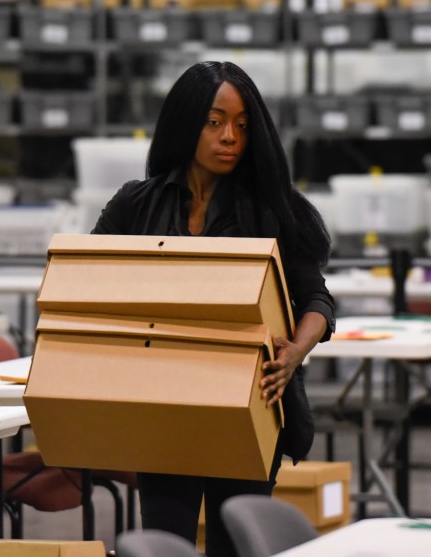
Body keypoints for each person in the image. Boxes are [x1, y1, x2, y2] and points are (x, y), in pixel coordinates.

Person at [91, 61, 335, 556]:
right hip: (164, 410)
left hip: (249, 407)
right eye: (215, 122)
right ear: (186, 124)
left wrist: (295, 351)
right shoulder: (135, 206)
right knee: (162, 545)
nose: (231, 138)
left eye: (243, 126)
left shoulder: (272, 208)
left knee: (237, 545)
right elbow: (89, 282)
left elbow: (318, 300)